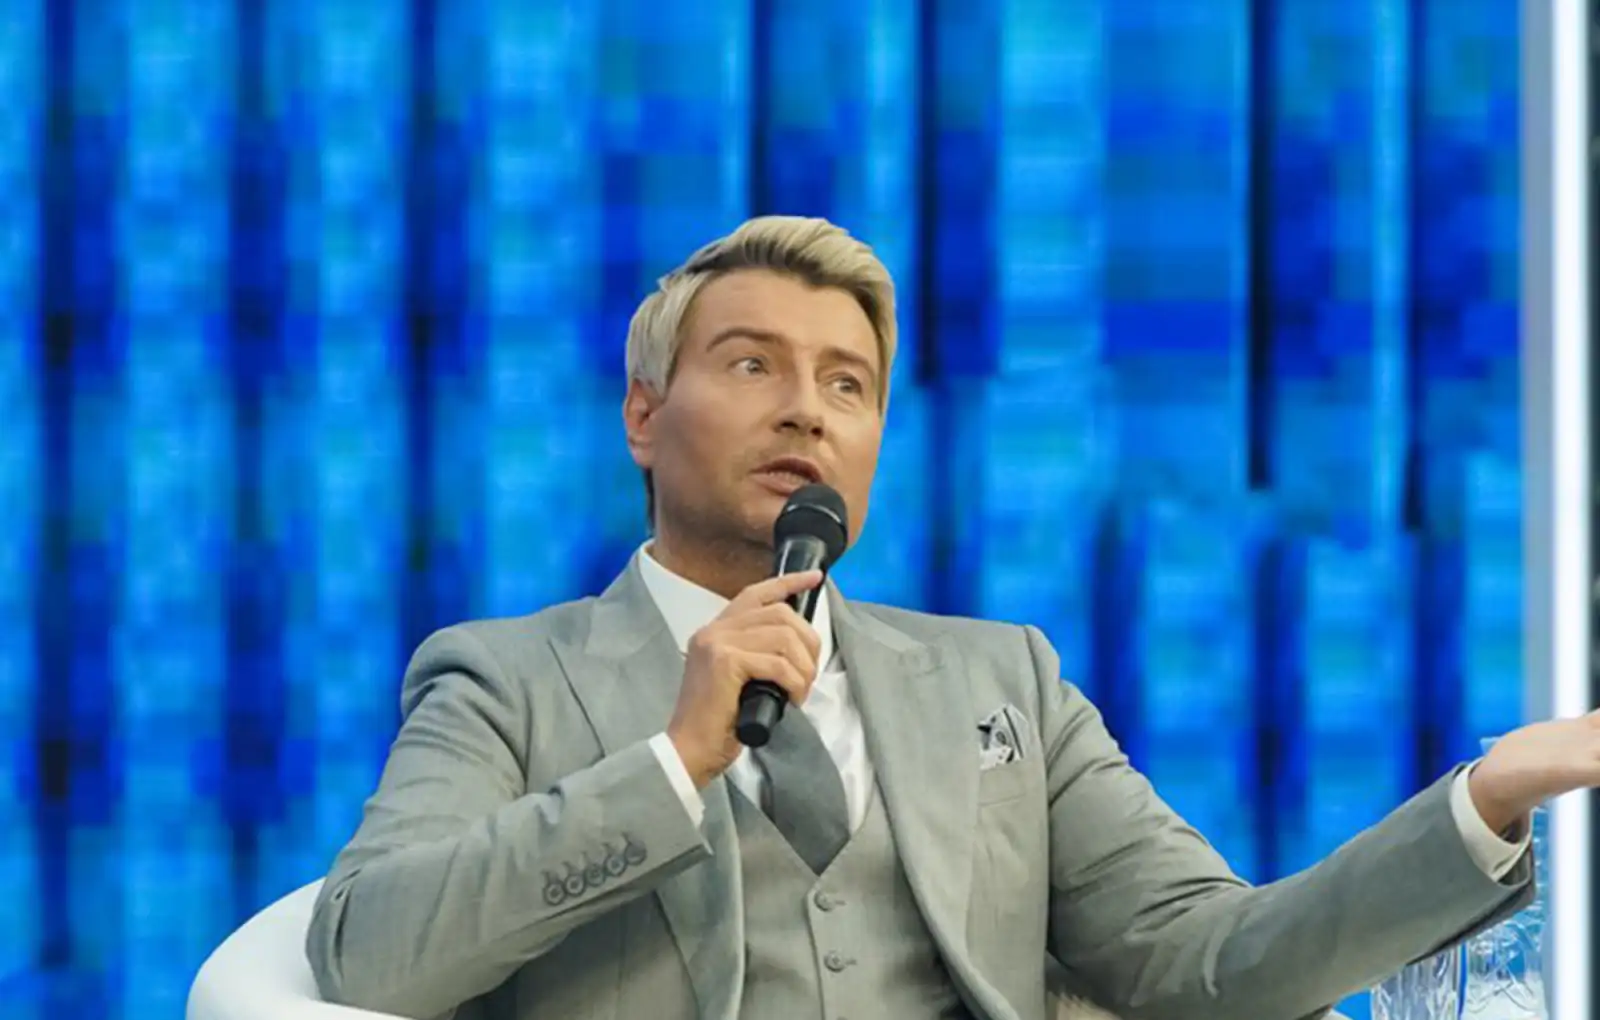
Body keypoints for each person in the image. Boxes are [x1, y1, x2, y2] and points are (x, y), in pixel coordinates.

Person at [305, 215, 1581, 1020]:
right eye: (751, 365)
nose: (805, 410)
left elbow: (1209, 963)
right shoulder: (507, 678)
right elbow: (368, 953)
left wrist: (1485, 799)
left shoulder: (1002, 681)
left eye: (847, 385)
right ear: (643, 415)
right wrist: (673, 762)